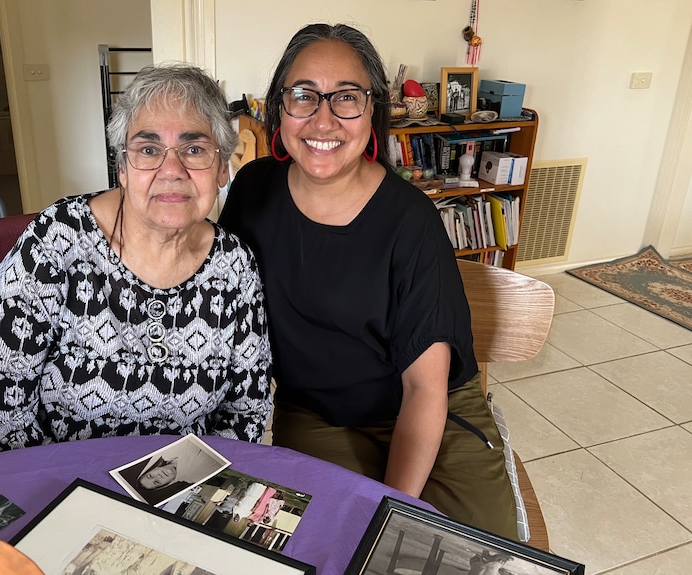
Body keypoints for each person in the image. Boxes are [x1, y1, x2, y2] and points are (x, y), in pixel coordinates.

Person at [218, 23, 517, 539]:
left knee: (476, 557)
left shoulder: (411, 221)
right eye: (304, 95)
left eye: (347, 98)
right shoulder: (252, 192)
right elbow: (213, 290)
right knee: (322, 546)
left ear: (372, 111)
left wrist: (393, 513)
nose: (324, 119)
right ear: (278, 107)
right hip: (317, 416)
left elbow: (425, 386)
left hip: (431, 416)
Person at [0, 64, 272, 457]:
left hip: (177, 486)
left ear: (222, 169)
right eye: (148, 150)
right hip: (45, 479)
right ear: (123, 168)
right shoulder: (56, 242)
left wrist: (182, 487)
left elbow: (246, 413)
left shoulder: (235, 266)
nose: (172, 171)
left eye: (194, 150)